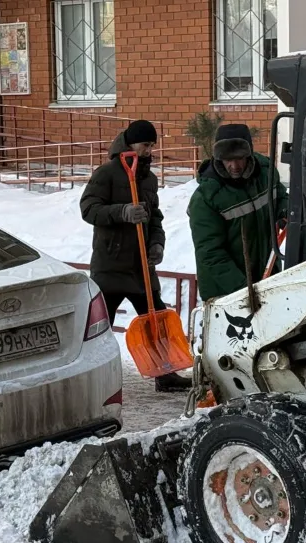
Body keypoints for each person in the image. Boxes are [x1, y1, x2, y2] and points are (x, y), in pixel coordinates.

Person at [80, 119, 191, 392]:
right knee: (100, 326)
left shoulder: (148, 179)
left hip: (141, 266)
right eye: (144, 145)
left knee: (157, 320)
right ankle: (90, 379)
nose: (148, 150)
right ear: (130, 144)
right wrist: (122, 212)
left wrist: (157, 244)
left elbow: (155, 218)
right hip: (111, 265)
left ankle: (165, 374)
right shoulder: (107, 174)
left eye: (152, 145)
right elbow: (88, 209)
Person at [188, 124, 289, 301]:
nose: (234, 166)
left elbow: (280, 196)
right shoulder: (206, 198)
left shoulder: (265, 174)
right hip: (226, 292)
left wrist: (284, 211)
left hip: (265, 275)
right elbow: (211, 254)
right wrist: (244, 290)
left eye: (240, 159)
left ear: (248, 155)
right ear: (219, 158)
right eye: (228, 160)